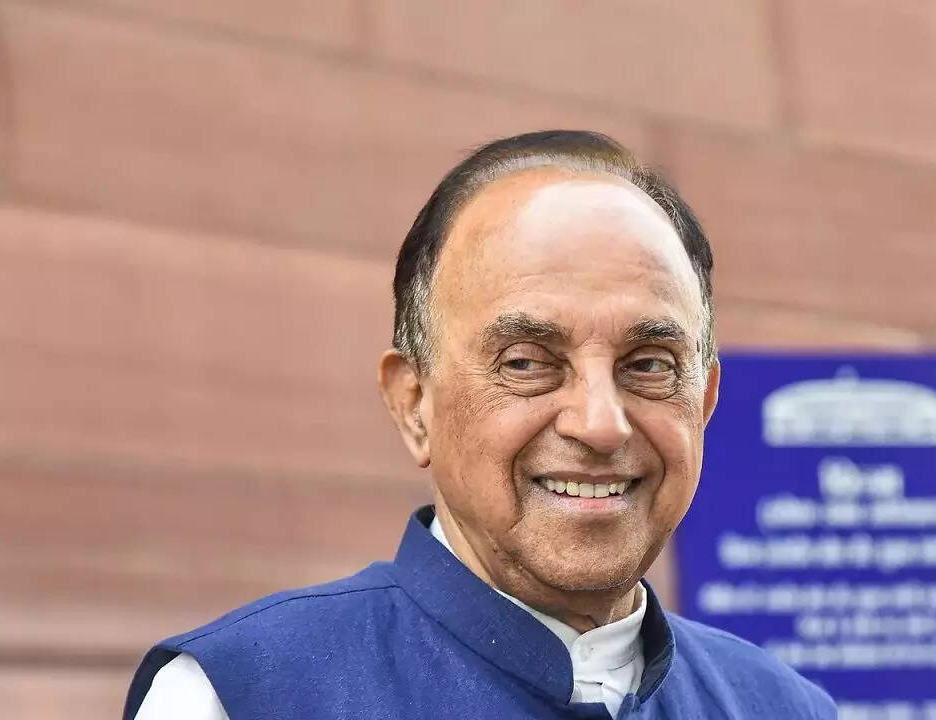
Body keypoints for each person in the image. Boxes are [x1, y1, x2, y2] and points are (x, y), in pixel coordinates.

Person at [123, 130, 836, 719]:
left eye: (648, 364)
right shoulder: (243, 696)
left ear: (704, 401)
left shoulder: (782, 707)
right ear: (414, 404)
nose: (600, 424)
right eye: (526, 362)